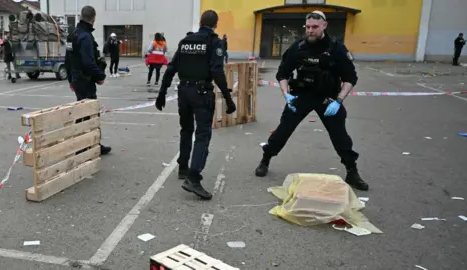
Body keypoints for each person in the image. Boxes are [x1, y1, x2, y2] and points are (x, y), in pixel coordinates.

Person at [254, 11, 368, 191]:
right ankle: (265, 159)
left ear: (324, 26)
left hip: (327, 99)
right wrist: (287, 95)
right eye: (307, 27)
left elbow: (350, 78)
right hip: (302, 96)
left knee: (340, 136)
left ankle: (352, 171)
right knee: (283, 131)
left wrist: (338, 101)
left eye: (314, 27)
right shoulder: (298, 47)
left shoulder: (336, 48)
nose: (310, 31)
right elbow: (282, 74)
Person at [155, 10, 236, 200]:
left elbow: (171, 68)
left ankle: (183, 166)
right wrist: (228, 98)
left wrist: (162, 94)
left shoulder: (185, 41)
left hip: (184, 92)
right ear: (215, 24)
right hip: (201, 93)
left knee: (186, 129)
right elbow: (217, 71)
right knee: (202, 134)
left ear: (200, 22)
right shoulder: (214, 42)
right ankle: (193, 177)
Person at [65, 5, 111, 155]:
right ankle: (87, 146)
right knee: (89, 113)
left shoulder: (73, 34)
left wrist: (70, 79)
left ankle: (89, 144)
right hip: (85, 80)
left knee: (83, 113)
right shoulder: (85, 36)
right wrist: (100, 76)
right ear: (93, 18)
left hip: (77, 78)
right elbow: (88, 62)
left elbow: (67, 59)